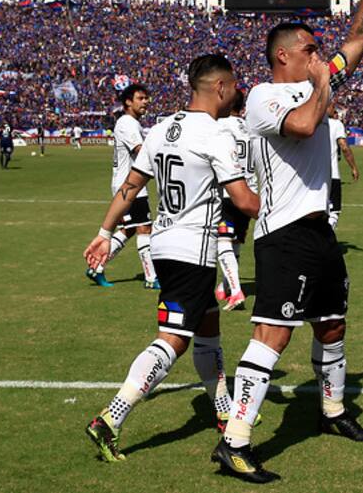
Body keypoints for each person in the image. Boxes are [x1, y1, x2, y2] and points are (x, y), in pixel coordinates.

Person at [215, 0, 363, 483]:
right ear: (284, 55)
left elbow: (357, 41)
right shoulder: (265, 96)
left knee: (332, 325)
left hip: (321, 230)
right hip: (283, 234)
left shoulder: (312, 79)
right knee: (273, 336)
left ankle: (332, 412)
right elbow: (308, 125)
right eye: (310, 49)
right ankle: (235, 440)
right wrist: (324, 79)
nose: (320, 54)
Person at [82, 54, 260, 463]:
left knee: (208, 325)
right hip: (191, 251)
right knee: (174, 339)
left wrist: (105, 233)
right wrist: (285, 211)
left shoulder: (162, 128)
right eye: (233, 85)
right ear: (219, 88)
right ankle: (112, 416)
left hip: (163, 244)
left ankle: (222, 409)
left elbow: (130, 186)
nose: (235, 92)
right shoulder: (215, 135)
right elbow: (244, 200)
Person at [87, 84, 157, 289]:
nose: (145, 102)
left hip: (129, 183)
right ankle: (151, 278)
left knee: (129, 229)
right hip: (129, 185)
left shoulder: (131, 122)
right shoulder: (127, 123)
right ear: (128, 101)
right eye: (141, 98)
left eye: (146, 98)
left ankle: (97, 267)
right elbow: (141, 151)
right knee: (145, 227)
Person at [215, 88, 255, 310]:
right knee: (235, 242)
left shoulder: (221, 126)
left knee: (222, 242)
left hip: (228, 192)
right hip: (249, 192)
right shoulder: (249, 127)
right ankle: (225, 286)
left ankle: (236, 290)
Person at [327, 103, 358, 231]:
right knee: (334, 212)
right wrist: (354, 167)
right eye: (332, 107)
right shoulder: (336, 124)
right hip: (332, 175)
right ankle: (326, 240)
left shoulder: (312, 125)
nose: (335, 110)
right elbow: (344, 147)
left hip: (312, 177)